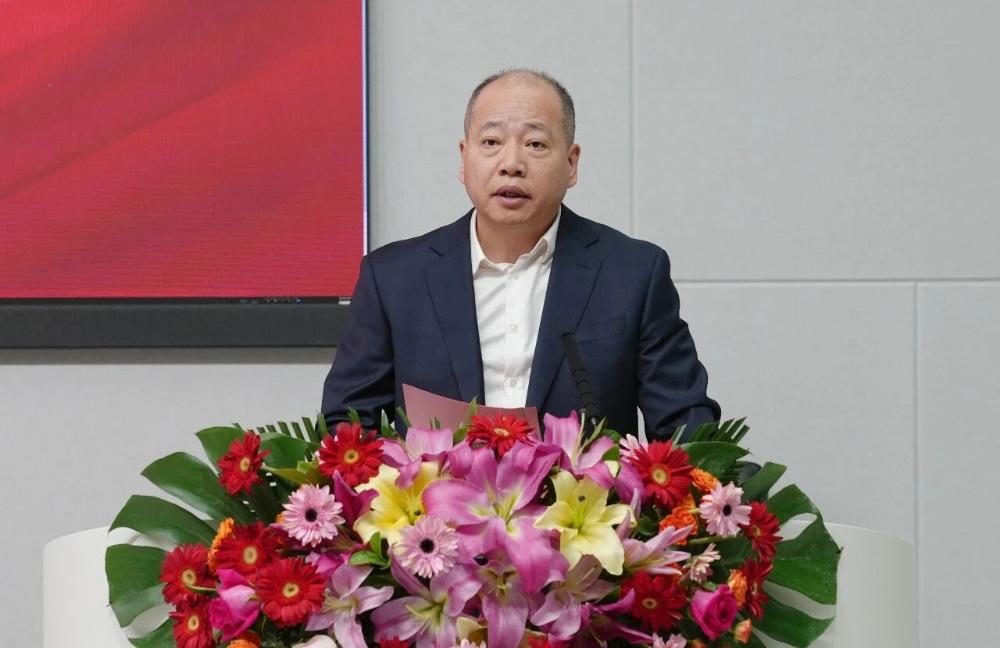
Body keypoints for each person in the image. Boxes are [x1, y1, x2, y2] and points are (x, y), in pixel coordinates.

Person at [321, 69, 719, 440]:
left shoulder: (632, 275)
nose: (511, 164)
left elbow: (687, 430)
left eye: (535, 144)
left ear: (571, 163)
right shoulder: (393, 279)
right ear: (464, 158)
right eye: (491, 143)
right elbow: (347, 428)